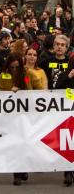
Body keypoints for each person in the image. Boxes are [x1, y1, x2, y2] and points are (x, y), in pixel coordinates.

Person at [0, 53, 41, 186]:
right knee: (15, 144)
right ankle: (17, 173)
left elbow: (34, 89)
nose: (15, 70)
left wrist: (20, 89)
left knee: (25, 143)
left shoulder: (27, 74)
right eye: (12, 67)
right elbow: (1, 90)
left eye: (17, 67)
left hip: (25, 114)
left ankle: (23, 168)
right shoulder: (3, 75)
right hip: (10, 115)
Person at [54, 55, 74, 186]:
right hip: (68, 114)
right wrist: (69, 76)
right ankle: (68, 172)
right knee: (69, 144)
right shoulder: (64, 74)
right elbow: (57, 88)